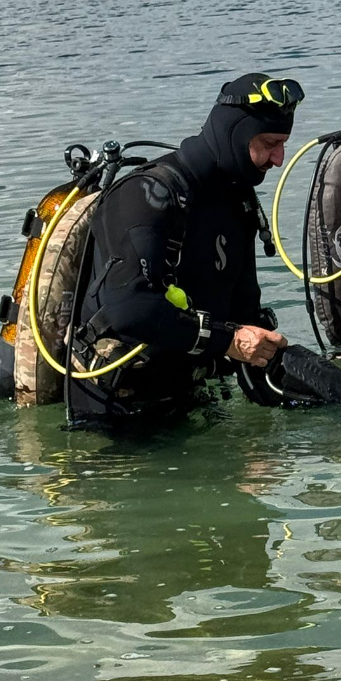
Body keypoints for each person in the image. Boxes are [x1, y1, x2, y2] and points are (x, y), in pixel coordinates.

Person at [67, 74, 302, 425]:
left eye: (283, 144)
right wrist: (228, 341)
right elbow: (129, 308)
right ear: (235, 133)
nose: (279, 159)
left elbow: (245, 314)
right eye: (270, 143)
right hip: (111, 418)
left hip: (188, 400)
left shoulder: (238, 204)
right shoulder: (148, 195)